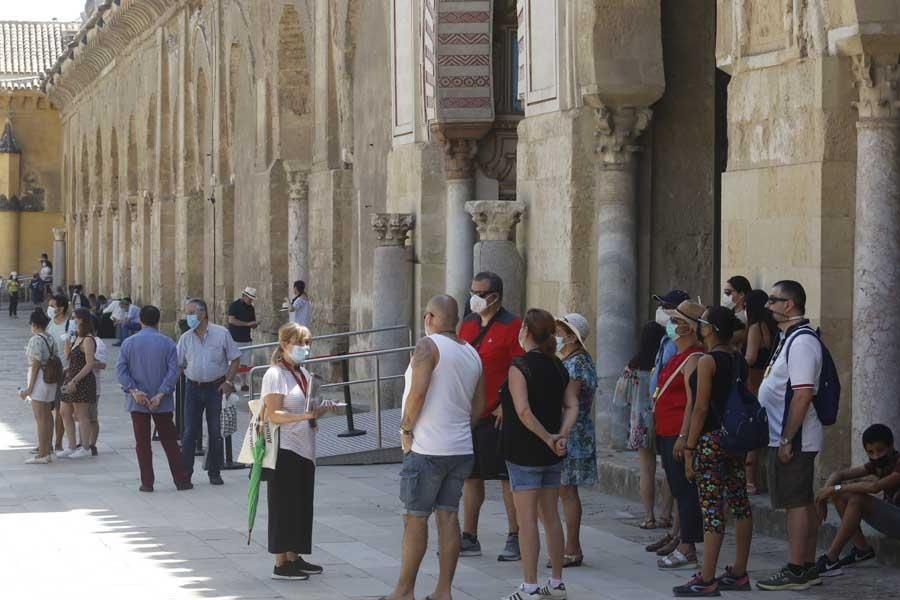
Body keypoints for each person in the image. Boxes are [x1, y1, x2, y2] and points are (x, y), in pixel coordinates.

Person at [381, 295, 485, 600]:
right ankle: (443, 592)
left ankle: (404, 591)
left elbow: (417, 394)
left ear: (429, 318)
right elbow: (479, 405)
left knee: (415, 517)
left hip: (428, 448)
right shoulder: (471, 352)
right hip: (460, 447)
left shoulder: (428, 347)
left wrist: (405, 429)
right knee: (449, 517)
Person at [674, 306, 753, 596]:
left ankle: (707, 577)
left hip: (709, 440)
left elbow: (701, 407)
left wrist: (690, 446)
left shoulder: (708, 361)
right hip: (734, 439)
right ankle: (740, 572)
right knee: (739, 501)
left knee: (712, 508)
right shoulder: (738, 359)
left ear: (708, 329)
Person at [500, 309, 578, 600]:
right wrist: (561, 436)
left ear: (526, 332)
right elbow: (572, 406)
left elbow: (522, 410)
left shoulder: (520, 366)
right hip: (552, 453)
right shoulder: (559, 366)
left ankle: (530, 586)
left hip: (525, 451)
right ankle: (557, 582)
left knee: (527, 519)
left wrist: (548, 438)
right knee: (551, 517)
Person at [756, 280, 824, 591]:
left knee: (796, 502)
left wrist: (787, 439)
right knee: (799, 501)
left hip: (794, 438)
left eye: (774, 300)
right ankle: (806, 565)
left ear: (789, 305)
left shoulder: (802, 342)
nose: (769, 305)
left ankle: (797, 568)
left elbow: (802, 394)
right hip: (783, 435)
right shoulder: (789, 338)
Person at [458, 271, 525, 560]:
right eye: (471, 291)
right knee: (471, 476)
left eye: (479, 293)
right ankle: (469, 536)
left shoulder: (513, 326)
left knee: (505, 477)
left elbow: (521, 367)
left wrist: (506, 404)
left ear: (495, 296)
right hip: (470, 413)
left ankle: (516, 536)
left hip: (498, 414)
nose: (473, 297)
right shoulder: (469, 324)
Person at [260, 322, 334, 580]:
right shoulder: (275, 374)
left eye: (307, 343)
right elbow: (274, 414)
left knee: (301, 505)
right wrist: (304, 415)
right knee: (283, 506)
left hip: (305, 449)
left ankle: (295, 555)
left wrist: (321, 408)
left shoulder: (302, 374)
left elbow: (307, 406)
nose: (305, 348)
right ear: (284, 344)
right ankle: (280, 563)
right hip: (285, 449)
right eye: (300, 343)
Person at [116, 305, 192, 492]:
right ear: (158, 321)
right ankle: (181, 480)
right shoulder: (167, 343)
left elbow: (121, 370)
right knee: (170, 441)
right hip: (162, 400)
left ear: (140, 320)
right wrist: (161, 393)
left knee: (142, 443)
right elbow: (174, 371)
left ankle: (147, 482)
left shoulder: (128, 343)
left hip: (138, 400)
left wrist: (134, 390)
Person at [653, 301, 706, 570]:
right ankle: (682, 540)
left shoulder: (694, 357)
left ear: (687, 327)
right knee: (677, 488)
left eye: (676, 321)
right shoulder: (679, 353)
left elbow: (692, 401)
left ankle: (688, 546)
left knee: (686, 492)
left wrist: (685, 436)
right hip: (665, 430)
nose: (671, 325)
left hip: (677, 433)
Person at [815, 424, 900, 577]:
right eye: (870, 452)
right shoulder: (878, 465)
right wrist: (825, 495)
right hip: (893, 519)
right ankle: (862, 549)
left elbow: (875, 487)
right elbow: (838, 474)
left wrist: (834, 489)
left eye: (880, 450)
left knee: (856, 498)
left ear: (891, 446)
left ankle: (830, 558)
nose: (876, 456)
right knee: (841, 495)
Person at [177, 298, 242, 486]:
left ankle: (215, 471)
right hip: (192, 388)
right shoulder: (186, 338)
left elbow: (235, 358)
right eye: (187, 312)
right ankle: (185, 474)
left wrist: (228, 382)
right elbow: (178, 365)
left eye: (191, 312)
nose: (188, 316)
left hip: (216, 388)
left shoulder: (221, 334)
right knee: (189, 432)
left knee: (215, 431)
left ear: (203, 313)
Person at [645, 289, 690, 554]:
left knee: (682, 488)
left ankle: (683, 539)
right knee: (673, 482)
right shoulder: (666, 341)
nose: (665, 315)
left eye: (669, 310)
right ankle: (674, 533)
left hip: (677, 426)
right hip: (664, 421)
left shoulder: (687, 351)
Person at [554, 313, 598, 568]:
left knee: (567, 491)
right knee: (566, 490)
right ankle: (571, 546)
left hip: (572, 431)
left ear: (571, 336)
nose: (556, 336)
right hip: (573, 430)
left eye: (560, 332)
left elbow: (569, 401)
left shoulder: (577, 364)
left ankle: (572, 547)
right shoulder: (574, 360)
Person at [627, 321, 672, 530]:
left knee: (646, 470)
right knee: (669, 469)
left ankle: (648, 516)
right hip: (662, 417)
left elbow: (621, 397)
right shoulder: (664, 359)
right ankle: (666, 515)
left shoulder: (634, 364)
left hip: (640, 422)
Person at [743, 289, 779, 495]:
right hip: (769, 383)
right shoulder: (771, 327)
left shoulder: (755, 327)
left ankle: (750, 482)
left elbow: (750, 357)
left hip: (753, 384)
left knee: (751, 435)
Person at [20, 308, 60, 464]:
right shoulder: (50, 338)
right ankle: (47, 451)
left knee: (40, 418)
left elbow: (36, 363)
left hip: (40, 380)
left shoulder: (35, 339)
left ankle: (42, 454)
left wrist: (29, 388)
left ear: (35, 324)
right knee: (48, 417)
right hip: (50, 380)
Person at [57, 308, 97, 459]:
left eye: (74, 318)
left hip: (82, 380)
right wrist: (67, 339)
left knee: (81, 414)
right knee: (64, 411)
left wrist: (75, 380)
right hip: (71, 378)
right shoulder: (76, 338)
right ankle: (71, 445)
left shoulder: (88, 339)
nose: (72, 321)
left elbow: (89, 364)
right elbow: (69, 357)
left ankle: (85, 446)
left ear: (81, 320)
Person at [46, 294, 74, 451]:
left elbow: (72, 348)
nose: (50, 308)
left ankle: (58, 443)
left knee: (60, 409)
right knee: (46, 408)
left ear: (61, 308)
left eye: (52, 305)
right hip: (49, 372)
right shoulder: (50, 323)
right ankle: (46, 442)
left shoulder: (69, 325)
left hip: (64, 372)